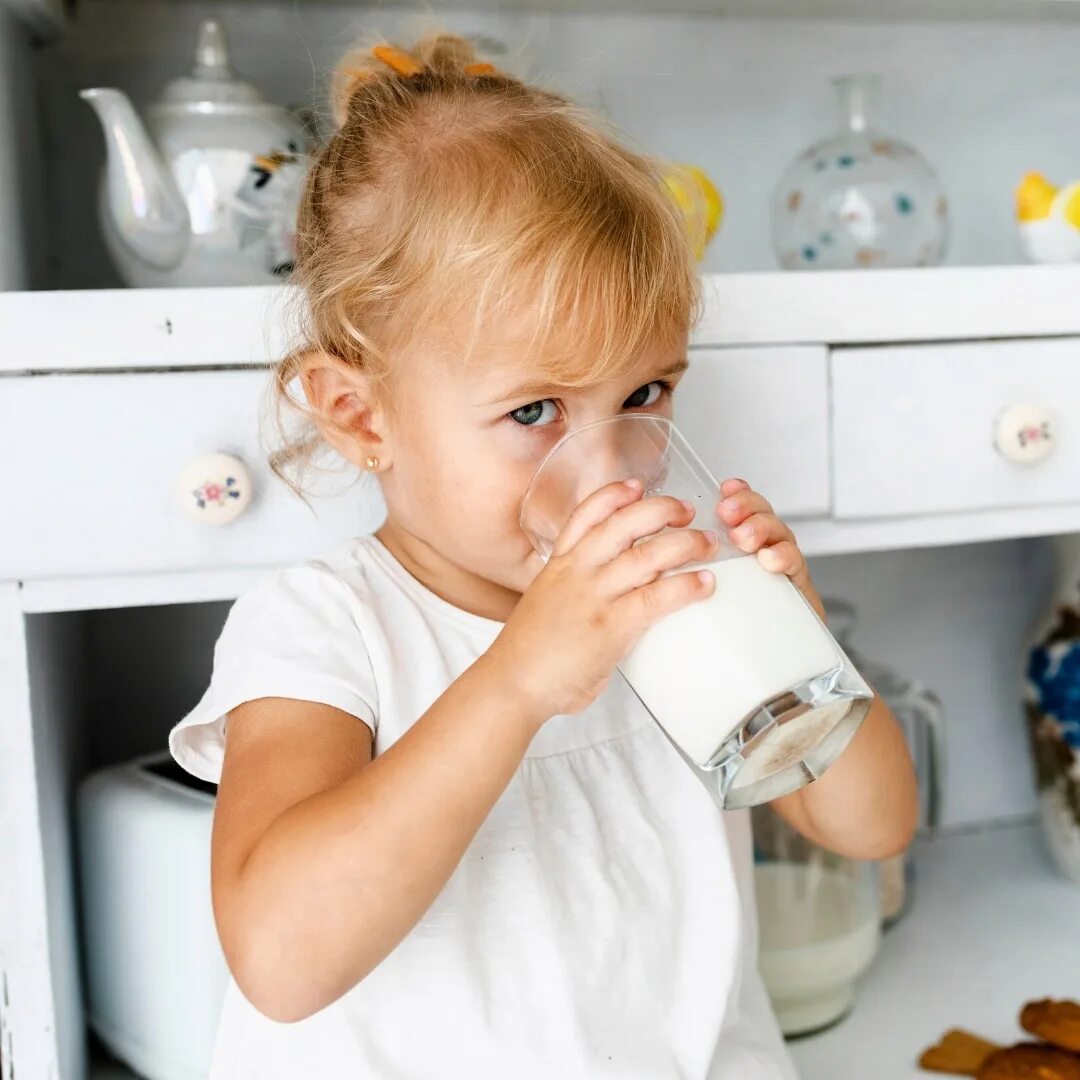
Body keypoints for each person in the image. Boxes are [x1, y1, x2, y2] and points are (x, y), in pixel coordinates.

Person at [170, 32, 918, 1079]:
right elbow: (281, 958)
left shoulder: (671, 597)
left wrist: (802, 640)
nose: (611, 467)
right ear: (358, 413)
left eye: (646, 395)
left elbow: (874, 826)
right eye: (534, 410)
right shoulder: (324, 626)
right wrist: (520, 676)